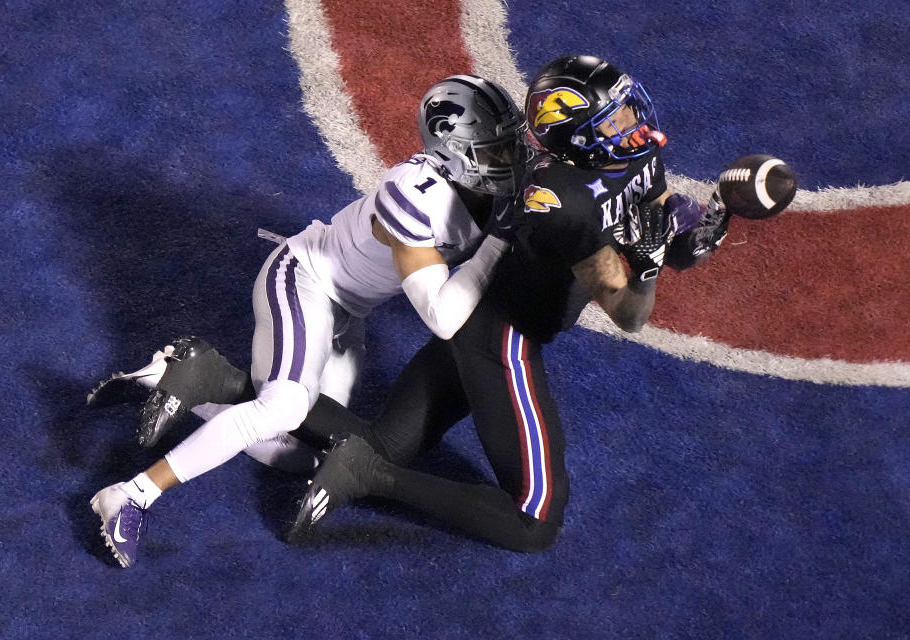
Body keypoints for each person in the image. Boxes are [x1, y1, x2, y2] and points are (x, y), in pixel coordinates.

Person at [285, 55, 737, 552]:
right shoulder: (562, 202)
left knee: (390, 443)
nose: (634, 123)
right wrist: (647, 270)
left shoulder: (633, 154)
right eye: (617, 117)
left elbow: (659, 228)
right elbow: (631, 314)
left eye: (628, 109)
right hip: (503, 338)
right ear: (581, 135)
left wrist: (703, 230)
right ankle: (366, 478)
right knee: (534, 522)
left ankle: (219, 378)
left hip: (487, 319)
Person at [88, 74, 526, 568]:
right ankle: (131, 494)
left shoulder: (490, 185)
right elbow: (442, 317)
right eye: (496, 150)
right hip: (304, 282)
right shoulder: (415, 195)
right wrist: (499, 240)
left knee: (304, 454)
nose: (512, 159)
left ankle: (193, 378)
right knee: (287, 405)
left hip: (348, 313)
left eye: (513, 142)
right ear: (452, 155)